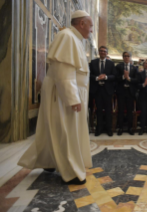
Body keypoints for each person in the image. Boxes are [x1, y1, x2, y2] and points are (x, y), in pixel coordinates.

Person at [18, 11, 93, 185]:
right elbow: (63, 73)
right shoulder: (67, 37)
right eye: (90, 25)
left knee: (56, 128)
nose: (91, 30)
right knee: (65, 131)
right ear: (81, 23)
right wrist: (72, 99)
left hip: (68, 92)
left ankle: (49, 161)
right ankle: (71, 171)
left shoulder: (74, 38)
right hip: (63, 94)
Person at [89, 46, 115, 137]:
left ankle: (109, 129)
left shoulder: (111, 64)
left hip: (107, 90)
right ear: (99, 52)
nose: (103, 52)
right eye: (101, 51)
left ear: (107, 53)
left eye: (104, 51)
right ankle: (98, 129)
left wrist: (106, 77)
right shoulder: (93, 62)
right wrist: (97, 78)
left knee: (108, 111)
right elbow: (90, 75)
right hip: (97, 90)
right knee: (99, 110)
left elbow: (114, 76)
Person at [115, 52, 138, 135]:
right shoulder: (118, 66)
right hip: (121, 91)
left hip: (130, 92)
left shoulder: (134, 68)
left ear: (130, 57)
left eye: (128, 56)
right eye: (125, 56)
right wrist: (123, 77)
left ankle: (130, 128)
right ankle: (120, 128)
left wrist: (129, 78)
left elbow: (136, 80)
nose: (126, 57)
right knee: (120, 110)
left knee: (130, 111)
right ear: (123, 57)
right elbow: (115, 78)